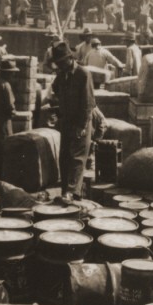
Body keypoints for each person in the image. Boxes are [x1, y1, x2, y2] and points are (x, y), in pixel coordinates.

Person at [50, 42, 95, 201]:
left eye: (62, 62)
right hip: (66, 120)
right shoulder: (61, 75)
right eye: (58, 63)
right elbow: (55, 89)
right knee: (64, 157)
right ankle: (65, 192)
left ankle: (71, 192)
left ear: (70, 58)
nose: (60, 65)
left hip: (80, 122)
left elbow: (88, 102)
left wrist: (82, 126)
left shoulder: (83, 74)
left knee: (77, 157)